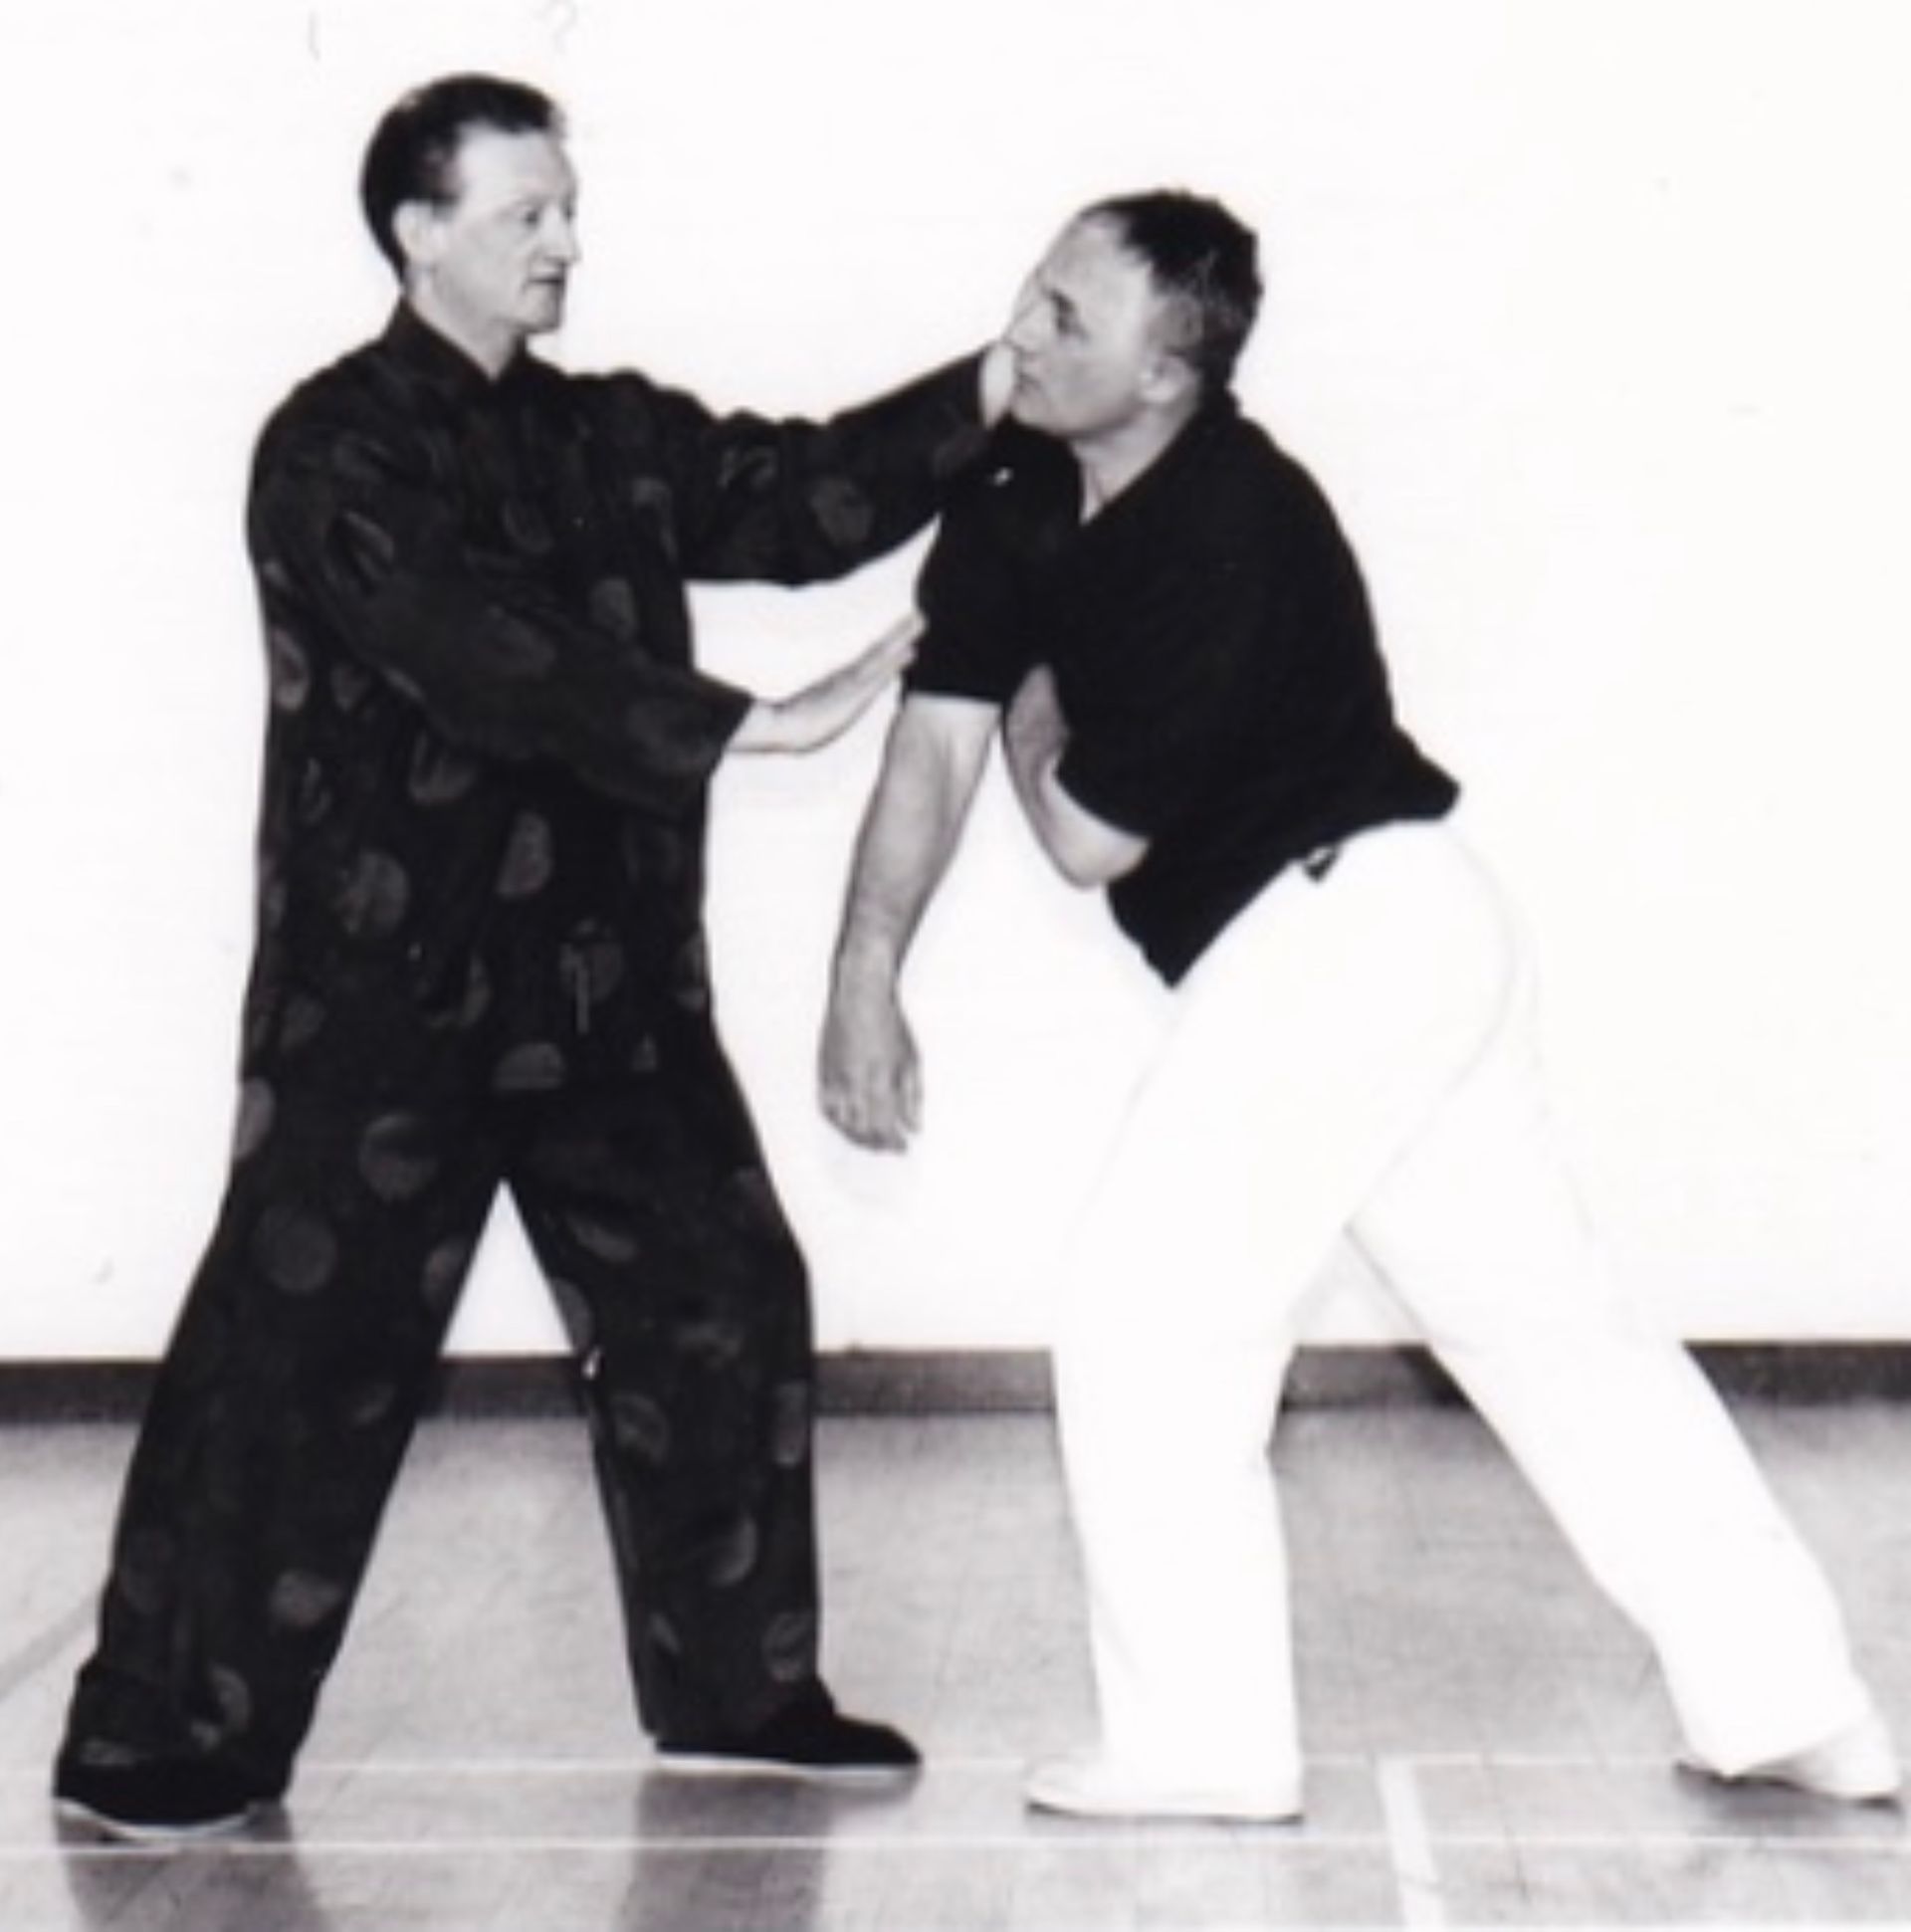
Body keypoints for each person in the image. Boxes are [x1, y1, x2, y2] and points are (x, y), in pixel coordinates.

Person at [818, 190, 1898, 1823]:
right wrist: (861, 971)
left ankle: (1204, 1749)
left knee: (1148, 1311)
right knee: (1548, 1328)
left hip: (1355, 930)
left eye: (1067, 322)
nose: (1020, 341)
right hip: (1369, 944)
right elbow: (931, 740)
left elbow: (1079, 830)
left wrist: (1038, 710)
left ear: (1171, 372)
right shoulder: (1018, 483)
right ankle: (1798, 1706)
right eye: (1030, 297)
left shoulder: (1239, 521)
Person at [54, 73, 1010, 1842]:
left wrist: (990, 395)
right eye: (527, 215)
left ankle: (740, 1694)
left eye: (569, 208)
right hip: (385, 1006)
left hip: (613, 997)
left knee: (723, 1296)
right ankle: (151, 1741)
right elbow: (474, 647)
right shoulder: (328, 448)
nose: (567, 240)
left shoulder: (606, 435)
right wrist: (744, 729)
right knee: (298, 1354)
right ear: (420, 231)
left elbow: (793, 497)